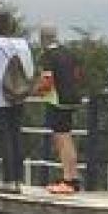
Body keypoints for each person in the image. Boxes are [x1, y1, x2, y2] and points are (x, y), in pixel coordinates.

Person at [0, 13, 34, 194]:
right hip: (18, 96)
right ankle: (19, 179)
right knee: (17, 134)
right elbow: (30, 71)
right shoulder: (23, 45)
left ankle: (7, 180)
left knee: (4, 138)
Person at [33, 22, 85, 195]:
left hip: (58, 100)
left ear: (43, 39)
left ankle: (68, 180)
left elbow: (47, 82)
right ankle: (73, 177)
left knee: (62, 139)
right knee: (67, 137)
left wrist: (35, 91)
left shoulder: (48, 56)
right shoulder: (69, 53)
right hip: (72, 98)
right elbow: (78, 75)